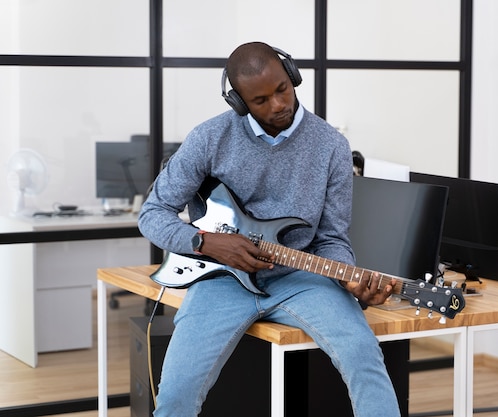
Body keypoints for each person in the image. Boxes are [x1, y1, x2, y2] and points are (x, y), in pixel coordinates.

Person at [138, 41, 401, 417]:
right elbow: (153, 214)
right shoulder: (209, 139)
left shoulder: (331, 146)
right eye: (261, 100)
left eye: (282, 88)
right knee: (177, 393)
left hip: (301, 278)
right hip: (221, 280)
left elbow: (331, 238)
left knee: (364, 358)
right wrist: (206, 242)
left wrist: (348, 279)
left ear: (292, 76)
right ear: (240, 103)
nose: (279, 104)